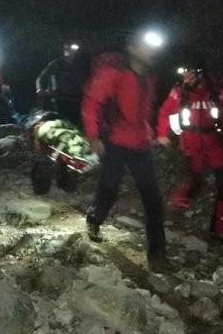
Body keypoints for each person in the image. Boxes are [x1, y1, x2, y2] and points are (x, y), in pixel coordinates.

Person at [82, 31, 170, 272]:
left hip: (141, 143)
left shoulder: (150, 77)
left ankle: (158, 255)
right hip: (115, 141)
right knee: (109, 187)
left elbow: (146, 109)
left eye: (153, 48)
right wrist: (93, 136)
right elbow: (92, 102)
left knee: (153, 199)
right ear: (132, 49)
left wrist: (154, 132)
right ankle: (94, 219)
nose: (150, 52)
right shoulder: (114, 73)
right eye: (145, 47)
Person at [156, 61, 223, 242]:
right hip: (190, 143)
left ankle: (220, 227)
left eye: (190, 72)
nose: (186, 77)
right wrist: (162, 133)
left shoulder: (215, 92)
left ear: (200, 74)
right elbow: (165, 111)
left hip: (213, 142)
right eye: (184, 73)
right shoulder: (179, 92)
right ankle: (174, 214)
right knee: (194, 181)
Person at [35, 42, 87, 127]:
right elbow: (41, 77)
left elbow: (83, 80)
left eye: (74, 51)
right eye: (70, 50)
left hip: (76, 100)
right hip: (60, 100)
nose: (73, 53)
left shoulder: (78, 65)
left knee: (75, 123)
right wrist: (40, 89)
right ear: (65, 50)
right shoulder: (57, 64)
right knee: (62, 122)